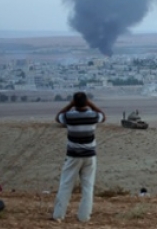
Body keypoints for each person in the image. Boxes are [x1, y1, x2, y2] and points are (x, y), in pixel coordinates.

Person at [52, 91, 106, 223]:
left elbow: (58, 117)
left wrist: (70, 105)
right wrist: (91, 104)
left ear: (74, 103)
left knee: (66, 184)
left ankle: (59, 215)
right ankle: (84, 216)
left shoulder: (69, 116)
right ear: (86, 102)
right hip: (90, 156)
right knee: (88, 187)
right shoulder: (92, 116)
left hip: (73, 156)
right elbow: (103, 116)